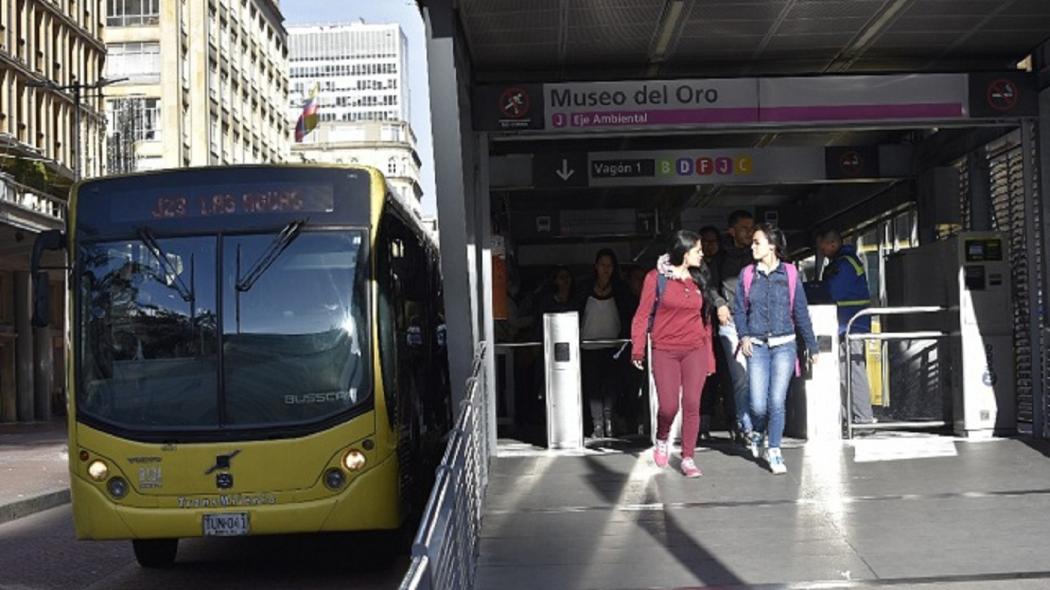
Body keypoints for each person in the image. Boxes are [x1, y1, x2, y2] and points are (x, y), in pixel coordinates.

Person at [733, 224, 818, 475]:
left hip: (785, 345)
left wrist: (811, 346)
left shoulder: (790, 274)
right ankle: (758, 431)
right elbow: (739, 309)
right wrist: (744, 335)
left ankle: (775, 450)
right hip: (757, 345)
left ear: (772, 245)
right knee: (758, 404)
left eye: (756, 242)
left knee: (776, 402)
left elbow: (800, 311)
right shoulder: (748, 274)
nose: (752, 246)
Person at [630, 231, 716, 478]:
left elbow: (706, 321)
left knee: (692, 404)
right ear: (684, 252)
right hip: (664, 349)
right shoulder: (656, 278)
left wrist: (709, 357)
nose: (702, 254)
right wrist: (638, 348)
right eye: (697, 250)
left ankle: (688, 457)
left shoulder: (699, 278)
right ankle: (662, 436)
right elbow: (642, 314)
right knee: (668, 406)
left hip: (695, 349)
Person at [817, 228, 876, 425]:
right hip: (847, 325)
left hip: (851, 325)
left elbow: (832, 291)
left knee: (853, 373)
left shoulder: (844, 264)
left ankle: (863, 419)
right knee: (845, 373)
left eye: (823, 245)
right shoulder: (842, 262)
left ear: (833, 244)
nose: (821, 249)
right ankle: (850, 418)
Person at [710, 211, 756, 443]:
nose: (749, 232)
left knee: (758, 375)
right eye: (744, 228)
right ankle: (745, 424)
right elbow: (710, 287)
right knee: (740, 377)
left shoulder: (757, 254)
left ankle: (756, 422)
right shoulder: (720, 258)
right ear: (732, 231)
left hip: (757, 321)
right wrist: (719, 304)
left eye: (751, 228)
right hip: (731, 322)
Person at [577, 249, 633, 438]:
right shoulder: (584, 289)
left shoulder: (621, 290)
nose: (606, 269)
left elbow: (627, 316)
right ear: (596, 267)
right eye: (602, 265)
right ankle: (597, 425)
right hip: (588, 346)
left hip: (613, 346)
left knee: (610, 387)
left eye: (609, 265)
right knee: (592, 388)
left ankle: (609, 421)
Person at [698, 226, 728, 440]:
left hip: (724, 326)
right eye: (705, 242)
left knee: (725, 375)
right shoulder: (694, 265)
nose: (709, 246)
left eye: (713, 241)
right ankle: (703, 421)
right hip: (702, 326)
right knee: (704, 376)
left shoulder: (724, 264)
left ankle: (730, 419)